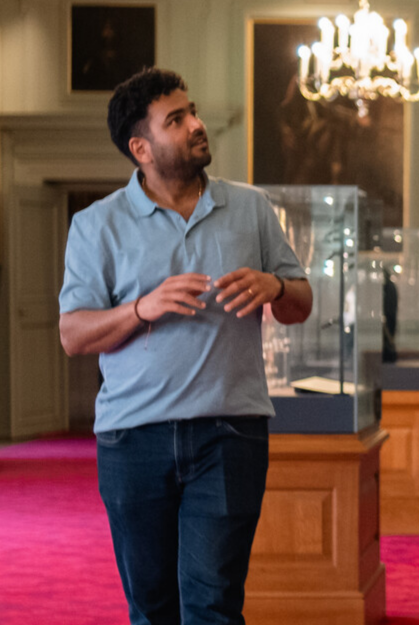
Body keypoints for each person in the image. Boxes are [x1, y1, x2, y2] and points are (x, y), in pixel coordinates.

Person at [58, 67, 314, 625]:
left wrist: (275, 287)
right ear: (140, 147)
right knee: (151, 609)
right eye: (177, 119)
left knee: (214, 605)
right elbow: (73, 334)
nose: (198, 124)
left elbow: (301, 303)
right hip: (132, 441)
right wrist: (139, 308)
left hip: (230, 433)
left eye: (192, 111)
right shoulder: (94, 225)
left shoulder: (250, 207)